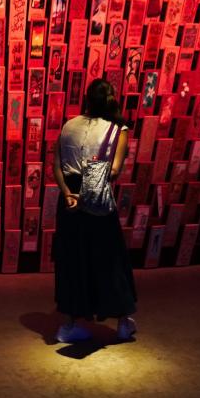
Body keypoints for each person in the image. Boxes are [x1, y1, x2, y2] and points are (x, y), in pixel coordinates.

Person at [51, 78, 138, 342]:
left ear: (87, 99)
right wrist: (91, 186)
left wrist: (68, 194)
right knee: (110, 260)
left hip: (70, 201)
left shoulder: (68, 126)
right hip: (97, 197)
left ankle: (69, 323)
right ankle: (123, 322)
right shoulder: (118, 129)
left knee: (72, 259)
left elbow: (56, 164)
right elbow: (113, 171)